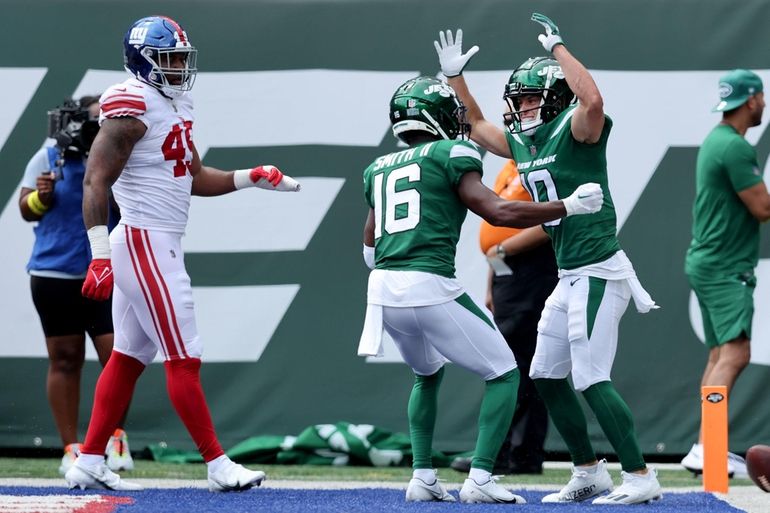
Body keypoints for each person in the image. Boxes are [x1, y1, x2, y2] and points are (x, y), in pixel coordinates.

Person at [433, 13, 663, 505]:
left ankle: (642, 477)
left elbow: (593, 99)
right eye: (518, 101)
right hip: (569, 275)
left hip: (601, 269)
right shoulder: (525, 142)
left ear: (555, 96)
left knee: (591, 376)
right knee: (544, 375)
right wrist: (456, 79)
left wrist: (558, 47)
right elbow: (474, 124)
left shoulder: (578, 129)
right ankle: (588, 471)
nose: (523, 108)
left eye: (532, 97)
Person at [64, 15, 300, 492]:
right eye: (169, 59)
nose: (178, 67)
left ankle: (89, 459)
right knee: (184, 355)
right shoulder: (128, 105)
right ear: (143, 62)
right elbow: (96, 181)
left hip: (156, 240)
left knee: (129, 356)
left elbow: (193, 178)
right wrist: (98, 253)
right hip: (145, 240)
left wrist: (251, 176)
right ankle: (217, 463)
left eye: (180, 58)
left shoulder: (176, 102)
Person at [358, 75, 604, 504]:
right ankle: (482, 478)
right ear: (433, 116)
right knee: (506, 373)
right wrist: (567, 206)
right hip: (428, 283)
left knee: (426, 374)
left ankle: (423, 477)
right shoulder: (450, 152)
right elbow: (498, 210)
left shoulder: (378, 168)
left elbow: (369, 247)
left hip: (381, 290)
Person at [19, 97, 134, 476]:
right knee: (65, 359)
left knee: (116, 358)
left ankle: (113, 438)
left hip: (106, 272)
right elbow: (26, 209)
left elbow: (135, 207)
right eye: (91, 120)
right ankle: (72, 447)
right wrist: (41, 196)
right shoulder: (49, 158)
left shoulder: (121, 156)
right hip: (55, 274)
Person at [682, 69, 769, 478]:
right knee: (735, 353)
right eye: (762, 98)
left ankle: (708, 449)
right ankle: (707, 446)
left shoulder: (719, 140)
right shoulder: (733, 147)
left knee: (720, 355)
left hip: (711, 261)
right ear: (750, 101)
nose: (765, 104)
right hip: (724, 266)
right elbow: (763, 208)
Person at [452, 160, 555, 476]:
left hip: (530, 271)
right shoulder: (510, 166)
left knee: (515, 363)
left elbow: (553, 219)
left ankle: (509, 451)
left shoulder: (543, 162)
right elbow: (494, 232)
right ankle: (515, 450)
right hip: (506, 276)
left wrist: (500, 251)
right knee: (514, 361)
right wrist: (491, 281)